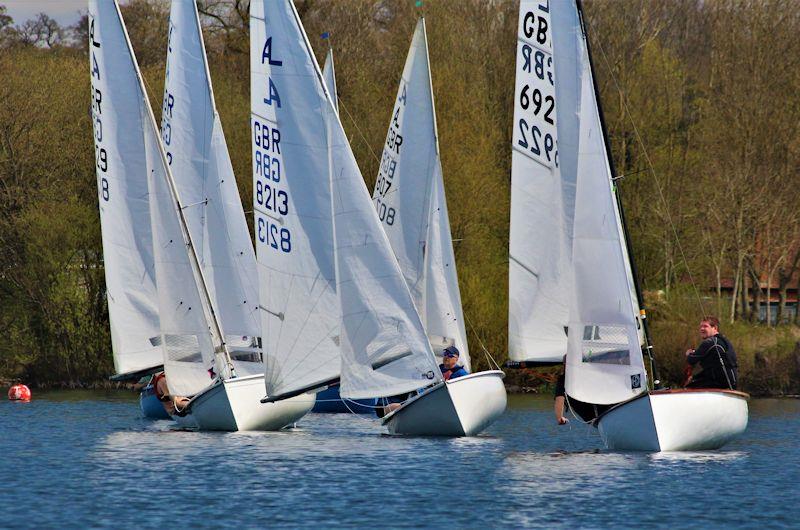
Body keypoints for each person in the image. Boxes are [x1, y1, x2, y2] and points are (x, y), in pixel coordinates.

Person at [685, 315, 738, 390]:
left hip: (720, 382)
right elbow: (711, 367)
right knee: (693, 381)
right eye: (701, 327)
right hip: (729, 382)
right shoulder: (722, 341)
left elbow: (691, 359)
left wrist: (689, 354)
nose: (702, 329)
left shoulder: (711, 342)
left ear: (715, 328)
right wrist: (694, 377)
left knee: (689, 387)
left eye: (705, 326)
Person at [554, 356, 569, 425]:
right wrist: (560, 418)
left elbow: (559, 399)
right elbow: (560, 398)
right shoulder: (563, 379)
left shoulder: (563, 379)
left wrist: (560, 418)